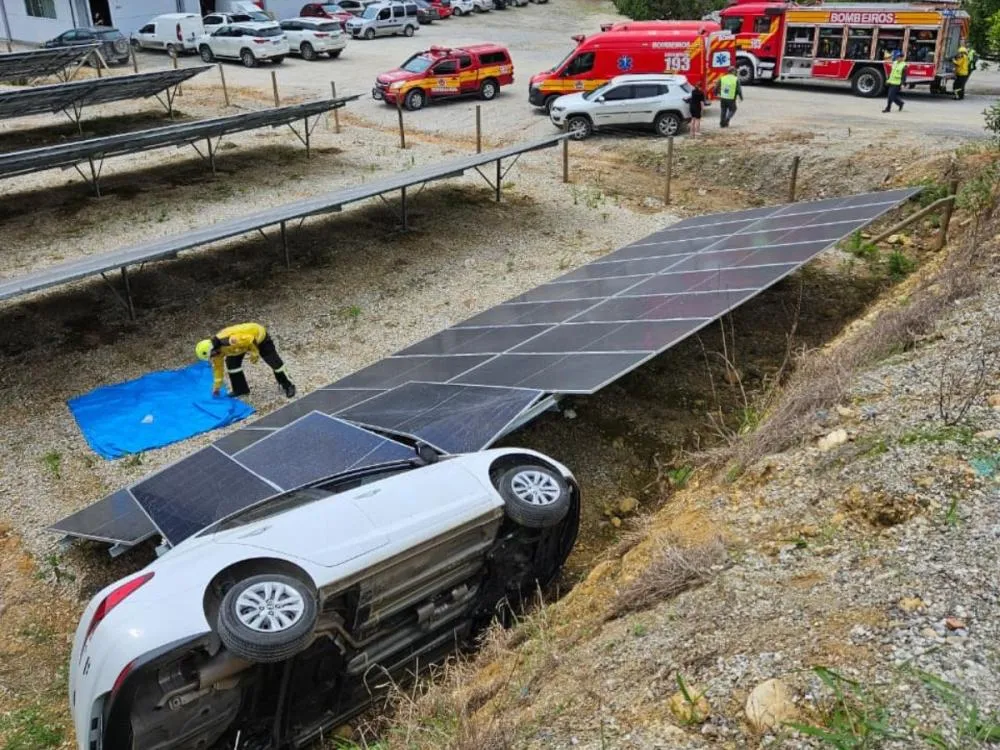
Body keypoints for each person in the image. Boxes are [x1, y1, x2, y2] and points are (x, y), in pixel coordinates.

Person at [195, 322, 296, 399]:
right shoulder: (216, 352)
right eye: (210, 357)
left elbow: (251, 339)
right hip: (241, 345)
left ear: (212, 348)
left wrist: (255, 353)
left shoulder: (230, 340)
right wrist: (216, 387)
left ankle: (288, 385)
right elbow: (218, 369)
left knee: (274, 361)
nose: (213, 357)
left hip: (257, 338)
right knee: (232, 364)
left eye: (211, 355)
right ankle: (240, 389)